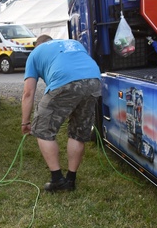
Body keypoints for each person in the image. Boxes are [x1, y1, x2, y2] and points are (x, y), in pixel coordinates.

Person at [21, 35, 101, 192]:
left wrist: (25, 122)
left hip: (65, 81)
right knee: (78, 132)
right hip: (94, 80)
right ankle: (71, 180)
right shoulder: (74, 44)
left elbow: (28, 93)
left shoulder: (35, 53)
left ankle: (57, 180)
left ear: (38, 45)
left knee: (42, 129)